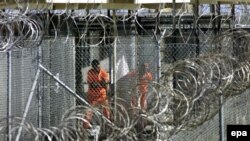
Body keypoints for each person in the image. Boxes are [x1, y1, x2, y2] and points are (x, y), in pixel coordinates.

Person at [83, 59, 111, 129]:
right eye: (95, 67)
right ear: (93, 67)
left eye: (98, 66)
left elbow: (105, 84)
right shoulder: (90, 72)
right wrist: (100, 83)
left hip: (102, 95)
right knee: (89, 111)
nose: (97, 68)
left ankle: (108, 126)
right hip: (93, 96)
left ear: (99, 65)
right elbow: (92, 85)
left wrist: (99, 84)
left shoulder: (103, 72)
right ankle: (85, 127)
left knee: (106, 111)